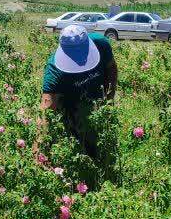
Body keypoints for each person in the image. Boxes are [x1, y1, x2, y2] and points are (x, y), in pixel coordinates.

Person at [40, 24, 118, 161]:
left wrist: (109, 98)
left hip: (98, 103)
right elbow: (46, 113)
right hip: (71, 108)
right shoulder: (54, 70)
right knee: (77, 147)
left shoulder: (101, 44)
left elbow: (111, 68)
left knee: (101, 148)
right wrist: (39, 152)